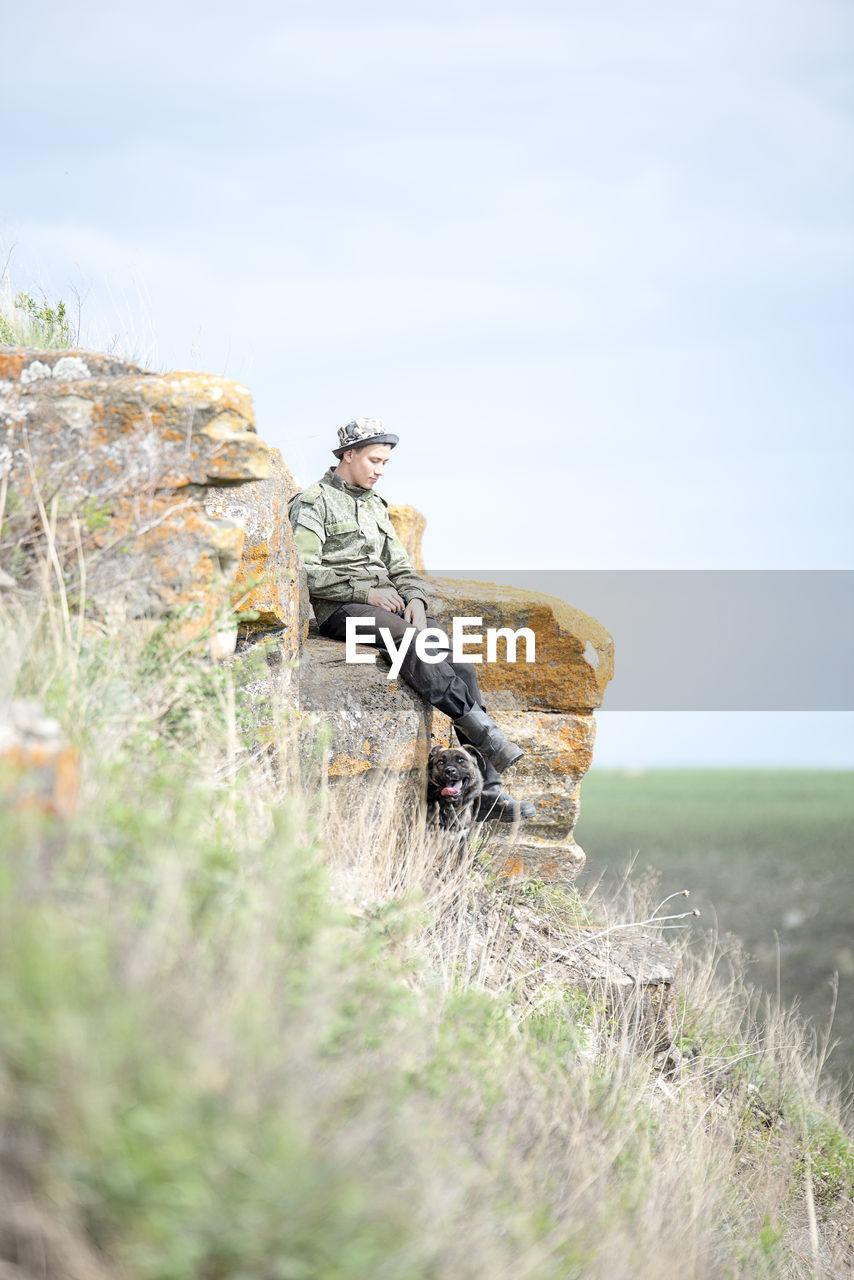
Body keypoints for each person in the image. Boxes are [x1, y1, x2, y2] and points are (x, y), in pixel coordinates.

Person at [288, 417, 535, 822]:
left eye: (385, 462)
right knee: (410, 641)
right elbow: (303, 568)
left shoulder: (374, 506)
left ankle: (490, 790)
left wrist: (416, 599)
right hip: (342, 611)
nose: (379, 470)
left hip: (391, 606)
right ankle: (485, 733)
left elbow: (401, 568)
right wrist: (365, 593)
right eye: (374, 460)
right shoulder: (313, 502)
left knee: (457, 661)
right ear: (348, 455)